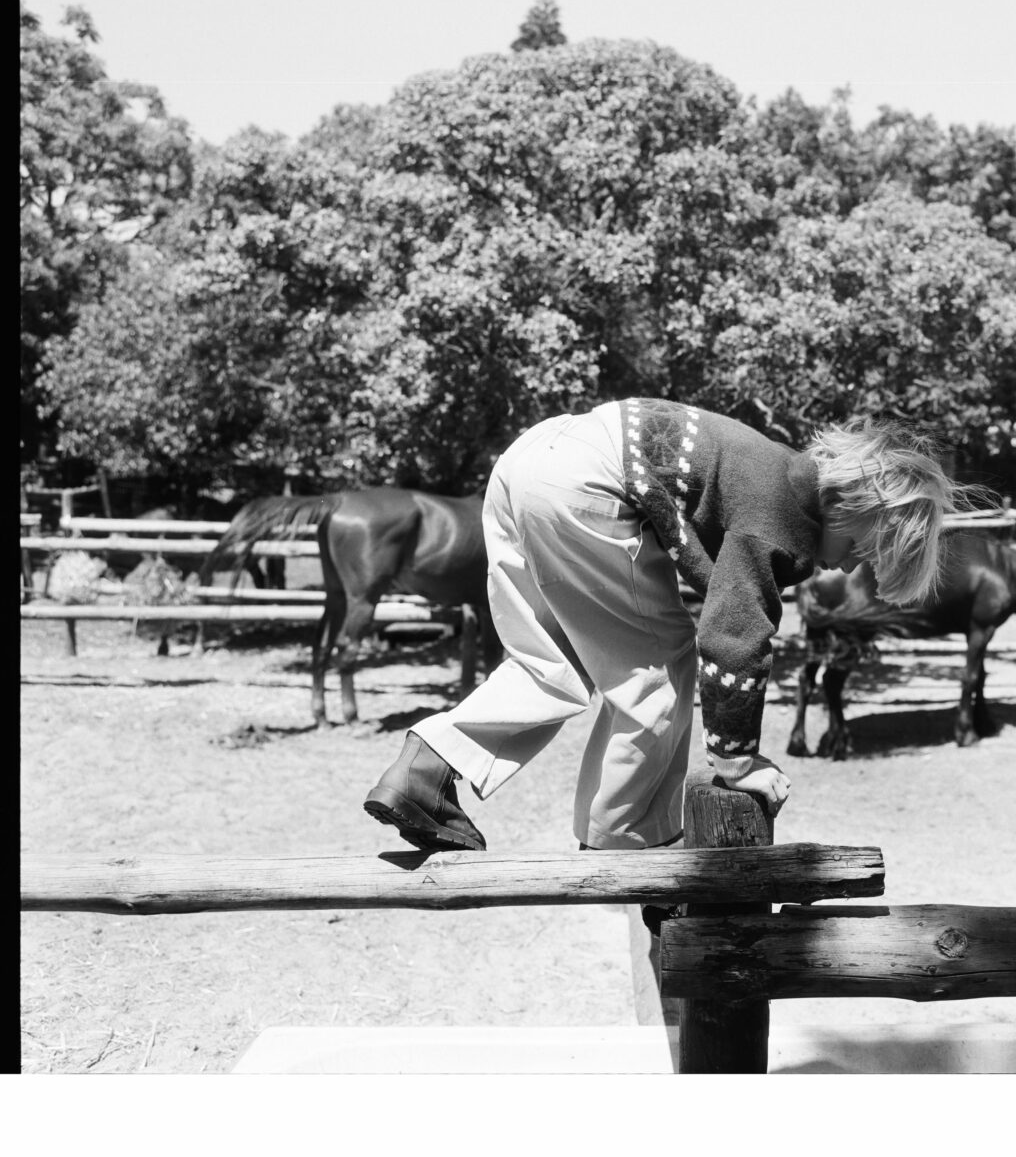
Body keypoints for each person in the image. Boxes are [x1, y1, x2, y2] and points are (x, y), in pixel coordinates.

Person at [360, 397, 963, 1020]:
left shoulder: (774, 473)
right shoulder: (780, 514)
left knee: (552, 662)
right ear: (854, 503)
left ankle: (426, 767)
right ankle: (630, 858)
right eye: (867, 546)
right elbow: (733, 634)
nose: (855, 563)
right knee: (660, 664)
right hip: (590, 480)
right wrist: (737, 760)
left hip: (530, 462)